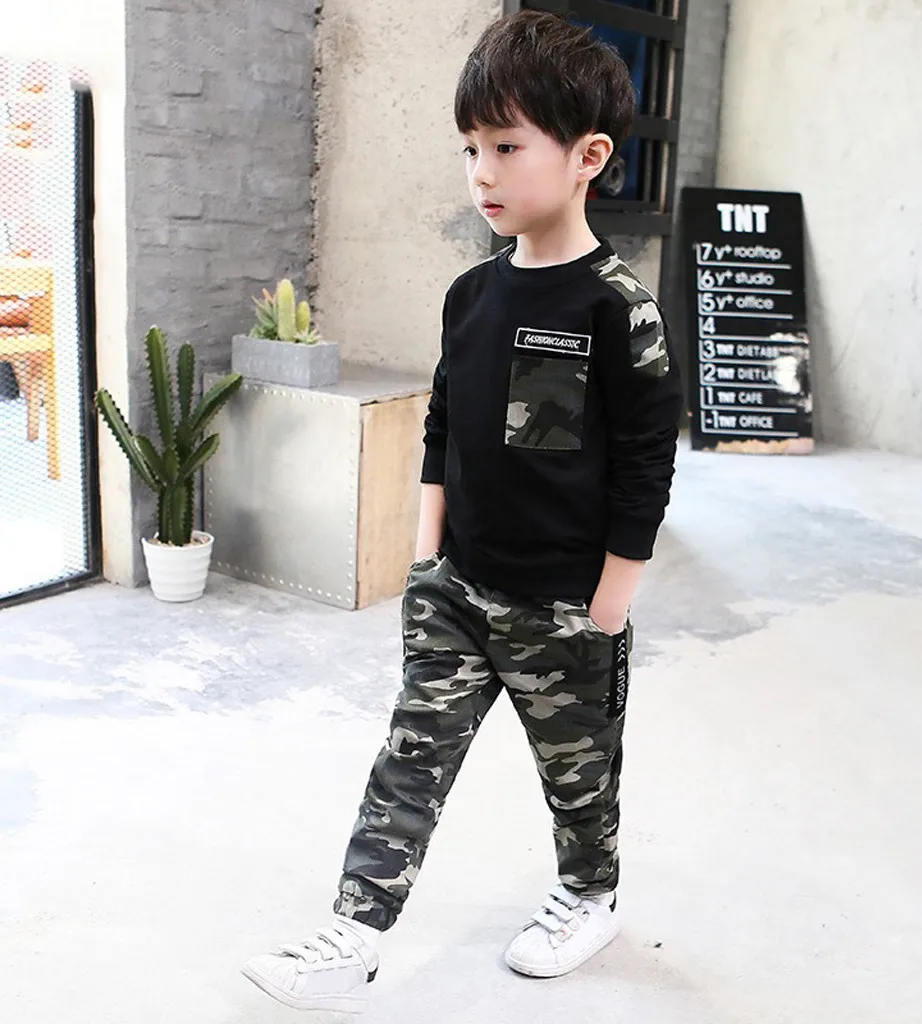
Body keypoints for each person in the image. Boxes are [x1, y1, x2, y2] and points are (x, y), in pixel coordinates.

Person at [241, 9, 684, 1014]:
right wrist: (426, 557)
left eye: (507, 147)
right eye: (471, 149)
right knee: (409, 762)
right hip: (456, 594)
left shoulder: (618, 310)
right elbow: (443, 423)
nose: (482, 172)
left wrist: (609, 604)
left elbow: (645, 467)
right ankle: (353, 936)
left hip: (566, 606)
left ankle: (589, 895)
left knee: (577, 779)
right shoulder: (470, 296)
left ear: (588, 157)